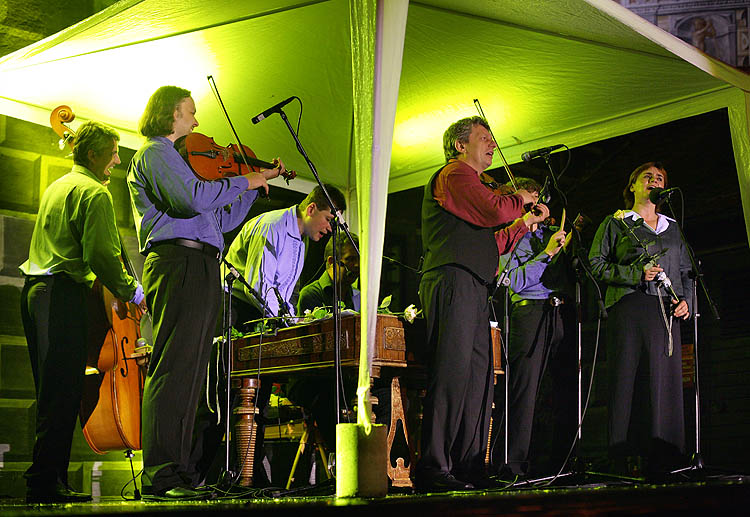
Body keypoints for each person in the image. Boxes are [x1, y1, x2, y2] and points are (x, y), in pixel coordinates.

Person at [127, 85, 285, 500]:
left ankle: (180, 473)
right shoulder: (155, 153)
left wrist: (250, 188)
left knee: (191, 374)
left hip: (199, 262)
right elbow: (192, 199)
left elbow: (220, 216)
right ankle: (161, 475)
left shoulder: (183, 162)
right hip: (177, 262)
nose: (197, 122)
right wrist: (244, 177)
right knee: (173, 368)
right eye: (190, 113)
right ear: (170, 114)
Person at [416, 116, 548, 492]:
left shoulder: (474, 186)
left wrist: (523, 223)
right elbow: (493, 209)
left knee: (478, 379)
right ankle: (434, 467)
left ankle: (470, 465)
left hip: (475, 284)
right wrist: (518, 199)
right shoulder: (455, 175)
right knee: (452, 373)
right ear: (460, 145)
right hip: (452, 279)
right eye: (484, 138)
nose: (492, 145)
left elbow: (493, 240)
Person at [19, 121, 146, 503]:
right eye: (113, 152)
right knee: (63, 391)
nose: (117, 160)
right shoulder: (94, 193)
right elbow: (103, 256)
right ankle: (43, 482)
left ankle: (49, 478)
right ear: (93, 153)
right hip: (62, 295)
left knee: (51, 390)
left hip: (36, 293)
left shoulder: (58, 185)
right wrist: (133, 291)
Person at [218, 184, 347, 485]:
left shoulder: (301, 242)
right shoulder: (273, 226)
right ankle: (226, 474)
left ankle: (251, 475)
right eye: (329, 219)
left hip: (262, 311)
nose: (330, 229)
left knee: (259, 399)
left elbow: (283, 293)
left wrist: (292, 317)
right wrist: (288, 321)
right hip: (238, 307)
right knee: (237, 398)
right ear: (311, 209)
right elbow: (259, 286)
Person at [589, 161, 692, 479]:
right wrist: (634, 274)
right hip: (629, 308)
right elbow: (595, 263)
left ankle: (664, 457)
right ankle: (622, 456)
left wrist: (687, 299)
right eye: (648, 177)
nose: (655, 180)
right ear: (632, 185)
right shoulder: (615, 223)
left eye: (660, 177)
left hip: (665, 313)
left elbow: (687, 270)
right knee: (627, 379)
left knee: (663, 384)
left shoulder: (672, 227)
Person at [497, 177, 577, 478]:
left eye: (539, 198)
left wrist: (566, 247)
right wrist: (546, 255)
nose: (538, 204)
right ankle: (512, 465)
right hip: (529, 313)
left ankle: (556, 463)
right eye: (531, 199)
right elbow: (511, 280)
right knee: (524, 390)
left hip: (560, 311)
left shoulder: (548, 232)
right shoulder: (510, 236)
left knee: (560, 390)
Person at [297, 231, 360, 314]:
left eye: (359, 259)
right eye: (351, 259)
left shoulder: (357, 295)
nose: (357, 265)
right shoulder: (310, 295)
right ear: (331, 261)